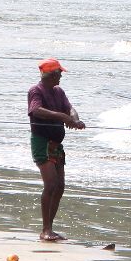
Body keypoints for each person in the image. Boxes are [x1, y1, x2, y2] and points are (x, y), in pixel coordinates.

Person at [27, 58, 85, 241]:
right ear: (51, 74)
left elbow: (70, 108)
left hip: (56, 144)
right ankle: (45, 230)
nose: (61, 77)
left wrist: (74, 119)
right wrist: (61, 117)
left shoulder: (58, 91)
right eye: (59, 73)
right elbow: (36, 110)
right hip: (41, 142)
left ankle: (49, 228)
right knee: (50, 185)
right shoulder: (36, 90)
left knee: (59, 187)